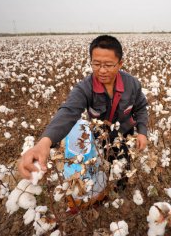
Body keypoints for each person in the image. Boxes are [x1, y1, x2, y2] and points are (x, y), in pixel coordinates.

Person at [18, 35, 148, 185]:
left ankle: (120, 187)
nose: (102, 70)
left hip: (124, 134)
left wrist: (142, 132)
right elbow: (68, 111)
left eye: (108, 65)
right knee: (99, 164)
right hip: (98, 136)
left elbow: (141, 108)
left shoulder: (132, 84)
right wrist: (44, 142)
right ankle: (102, 186)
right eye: (96, 64)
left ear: (120, 64)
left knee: (123, 164)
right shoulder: (85, 88)